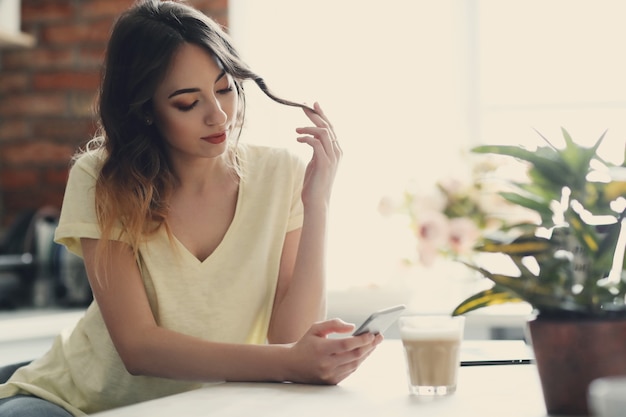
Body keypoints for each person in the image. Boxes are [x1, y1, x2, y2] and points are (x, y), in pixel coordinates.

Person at [0, 0, 383, 415]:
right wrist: (290, 362)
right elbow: (138, 348)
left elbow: (288, 335)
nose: (219, 116)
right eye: (188, 102)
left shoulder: (279, 173)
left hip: (207, 405)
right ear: (146, 110)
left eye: (225, 88)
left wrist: (318, 203)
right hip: (76, 402)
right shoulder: (100, 177)